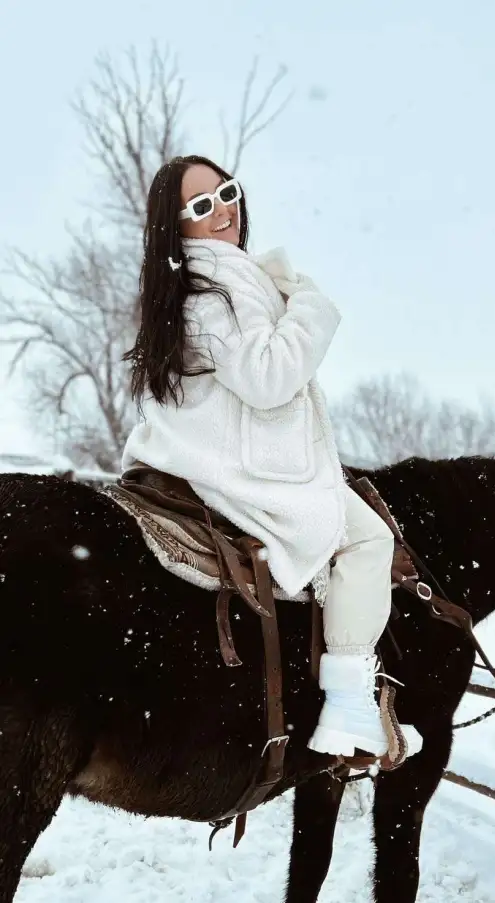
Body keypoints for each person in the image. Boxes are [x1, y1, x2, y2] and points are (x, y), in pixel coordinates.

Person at [122, 155, 422, 761]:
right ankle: (348, 703)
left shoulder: (196, 287)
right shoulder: (215, 292)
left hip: (208, 454)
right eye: (201, 206)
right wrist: (308, 305)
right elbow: (268, 378)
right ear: (175, 227)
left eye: (226, 193)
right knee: (367, 540)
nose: (223, 209)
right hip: (239, 468)